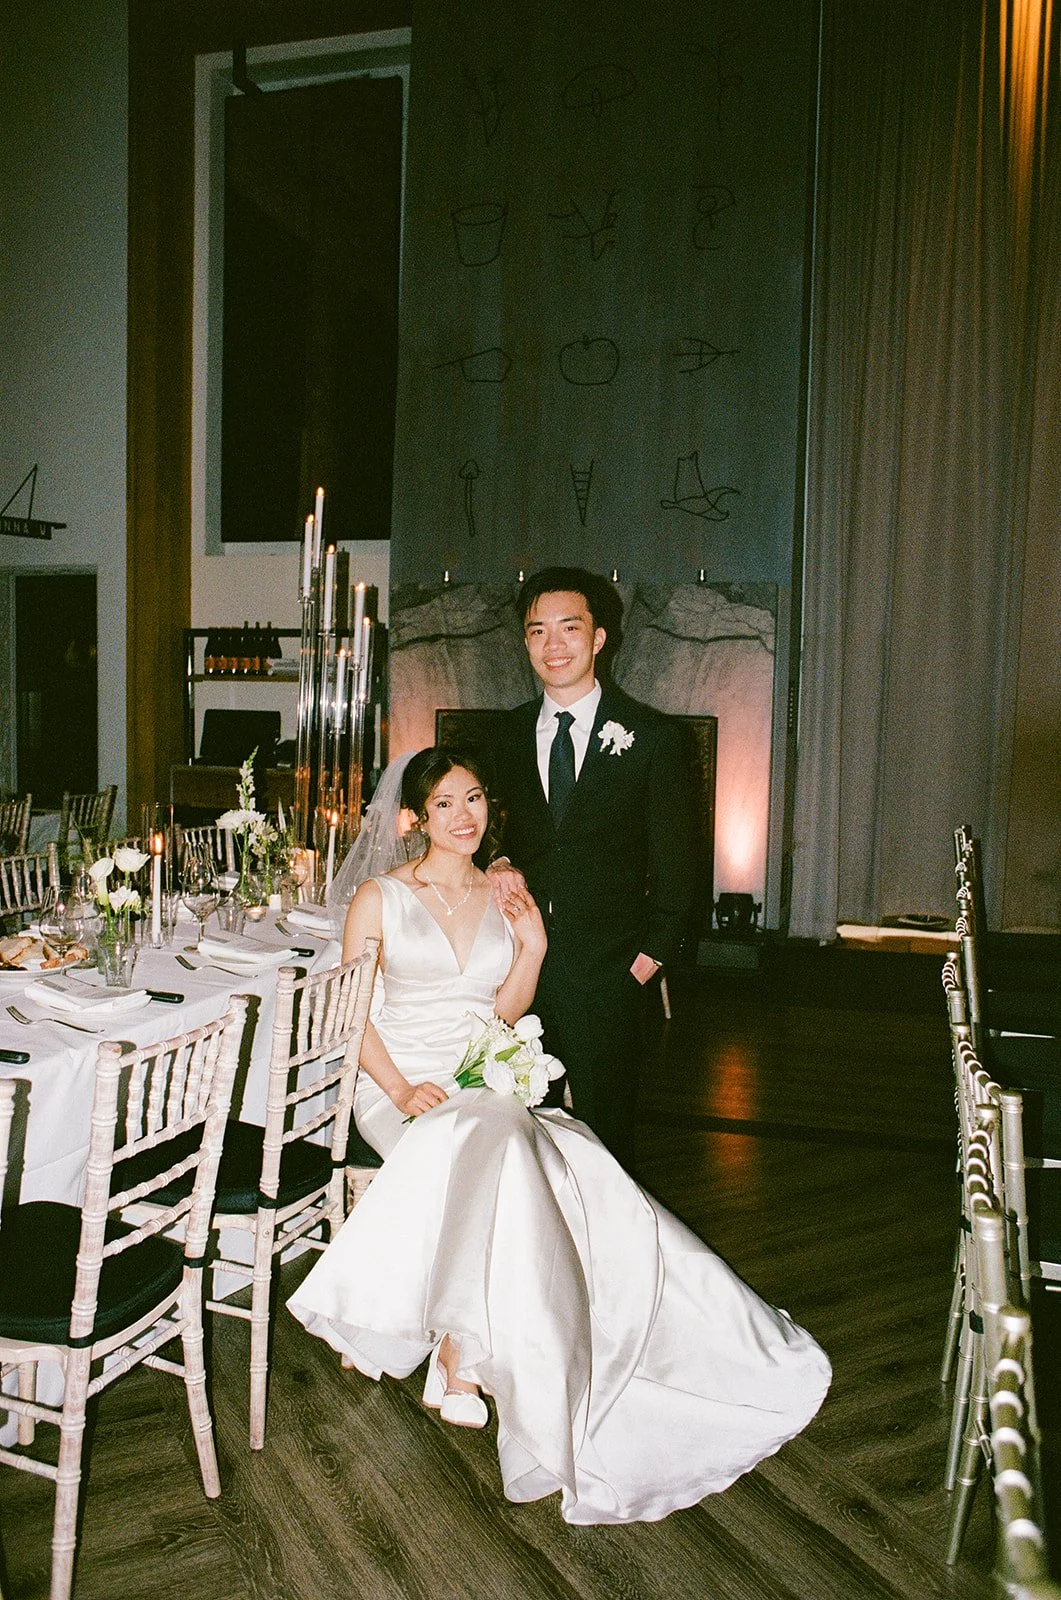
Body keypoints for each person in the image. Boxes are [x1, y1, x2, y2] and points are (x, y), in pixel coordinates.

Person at [288, 747, 831, 1526]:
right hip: (399, 1083)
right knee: (506, 1148)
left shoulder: (502, 893)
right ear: (415, 818)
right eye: (444, 804)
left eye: (474, 798)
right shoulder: (379, 898)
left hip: (477, 1078)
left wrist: (534, 947)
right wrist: (402, 1088)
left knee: (530, 1152)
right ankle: (460, 1354)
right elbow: (353, 1013)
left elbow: (500, 1014)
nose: (464, 816)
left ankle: (461, 1348)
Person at [487, 567, 695, 1167]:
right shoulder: (504, 732)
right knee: (516, 1130)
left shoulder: (651, 737)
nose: (553, 645)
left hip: (609, 973)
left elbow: (678, 862)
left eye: (569, 628)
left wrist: (647, 961)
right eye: (537, 631)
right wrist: (498, 858)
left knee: (607, 1138)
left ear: (599, 637)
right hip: (514, 967)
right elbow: (482, 824)